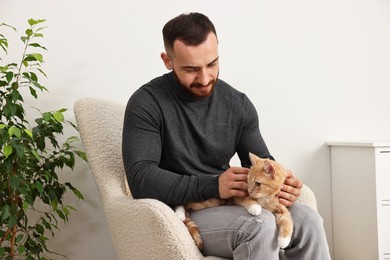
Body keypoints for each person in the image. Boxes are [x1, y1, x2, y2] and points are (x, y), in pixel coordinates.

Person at [122, 12, 331, 260]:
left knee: (309, 220)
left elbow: (262, 160)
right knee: (259, 225)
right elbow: (140, 179)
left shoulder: (238, 104)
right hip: (183, 210)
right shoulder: (146, 103)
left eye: (212, 64)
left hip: (230, 203)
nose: (205, 78)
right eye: (191, 69)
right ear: (167, 61)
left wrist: (281, 183)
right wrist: (213, 185)